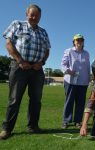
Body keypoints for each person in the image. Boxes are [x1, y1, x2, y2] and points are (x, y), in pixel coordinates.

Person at [0, 4, 51, 140]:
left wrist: (42, 63)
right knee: (14, 99)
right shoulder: (17, 24)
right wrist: (20, 61)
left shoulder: (43, 32)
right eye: (32, 14)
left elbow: (47, 50)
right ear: (26, 14)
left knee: (36, 100)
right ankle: (7, 129)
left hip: (37, 69)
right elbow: (9, 43)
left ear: (40, 17)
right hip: (19, 67)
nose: (34, 17)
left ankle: (33, 126)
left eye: (37, 15)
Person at [61, 34, 90, 129]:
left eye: (81, 40)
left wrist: (89, 78)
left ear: (83, 42)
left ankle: (78, 121)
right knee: (69, 101)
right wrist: (69, 71)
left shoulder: (86, 53)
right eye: (77, 40)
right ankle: (66, 121)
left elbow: (87, 67)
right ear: (74, 42)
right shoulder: (68, 51)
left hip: (83, 82)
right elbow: (63, 64)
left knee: (81, 102)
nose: (79, 42)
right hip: (70, 81)